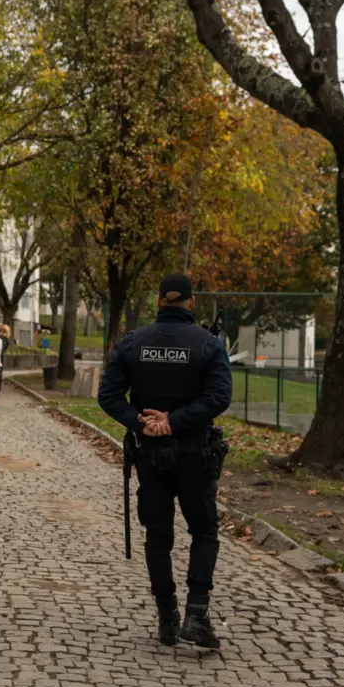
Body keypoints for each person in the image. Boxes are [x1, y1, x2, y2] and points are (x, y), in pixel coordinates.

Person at [97, 273, 232, 650]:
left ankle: (167, 618)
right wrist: (174, 421)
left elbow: (108, 396)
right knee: (203, 532)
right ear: (191, 303)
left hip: (151, 455)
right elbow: (220, 396)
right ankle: (196, 613)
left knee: (158, 536)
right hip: (195, 454)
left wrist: (142, 422)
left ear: (159, 300)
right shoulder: (207, 344)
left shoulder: (133, 342)